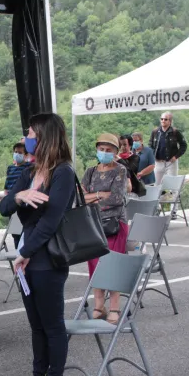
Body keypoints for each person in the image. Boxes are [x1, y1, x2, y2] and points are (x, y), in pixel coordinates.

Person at [0, 113, 76, 376]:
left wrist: (26, 251)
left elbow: (50, 221)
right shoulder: (31, 170)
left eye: (31, 132)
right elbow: (5, 206)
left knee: (52, 324)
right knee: (36, 326)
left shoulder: (63, 173)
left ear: (44, 136)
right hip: (27, 257)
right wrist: (21, 194)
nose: (27, 137)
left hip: (46, 258)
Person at [81, 133, 130, 323]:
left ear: (116, 152)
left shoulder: (120, 170)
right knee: (94, 263)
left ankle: (115, 307)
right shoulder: (90, 171)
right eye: (101, 149)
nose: (104, 153)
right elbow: (80, 197)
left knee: (113, 263)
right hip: (94, 223)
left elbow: (117, 198)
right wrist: (101, 194)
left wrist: (93, 196)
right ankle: (99, 306)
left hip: (115, 223)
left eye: (108, 150)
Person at [148, 112, 187, 183]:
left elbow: (183, 145)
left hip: (171, 162)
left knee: (172, 185)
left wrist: (176, 156)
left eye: (165, 119)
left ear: (170, 121)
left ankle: (173, 194)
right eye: (161, 119)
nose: (163, 121)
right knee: (156, 184)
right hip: (158, 162)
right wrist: (153, 156)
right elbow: (150, 145)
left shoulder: (175, 132)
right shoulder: (155, 132)